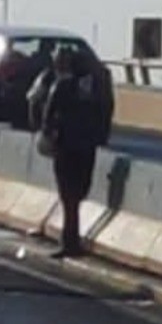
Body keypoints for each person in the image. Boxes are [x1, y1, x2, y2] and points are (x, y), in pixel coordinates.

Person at [42, 47, 105, 259]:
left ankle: (69, 242)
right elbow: (104, 112)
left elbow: (47, 115)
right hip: (86, 147)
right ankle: (71, 241)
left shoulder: (62, 85)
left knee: (68, 196)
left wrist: (48, 135)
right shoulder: (94, 88)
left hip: (67, 147)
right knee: (77, 195)